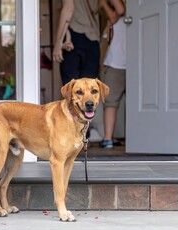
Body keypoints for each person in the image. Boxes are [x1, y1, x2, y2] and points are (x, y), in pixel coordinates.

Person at [52, 0, 101, 86]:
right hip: (93, 39)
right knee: (89, 90)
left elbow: (68, 9)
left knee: (72, 90)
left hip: (73, 38)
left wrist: (58, 42)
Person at [99, 0, 126, 148]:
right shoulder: (114, 16)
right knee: (111, 102)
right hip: (115, 62)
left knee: (140, 104)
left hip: (134, 63)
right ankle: (108, 137)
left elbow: (121, 9)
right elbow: (119, 11)